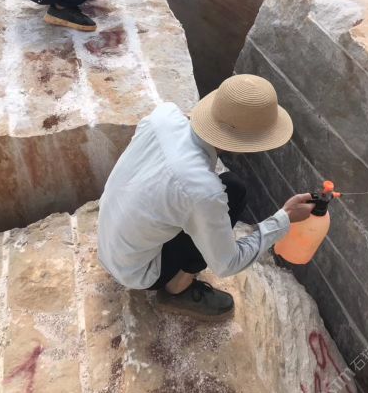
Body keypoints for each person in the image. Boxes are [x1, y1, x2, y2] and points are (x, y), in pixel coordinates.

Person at [98, 74, 315, 322]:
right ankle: (178, 289)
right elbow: (228, 263)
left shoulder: (164, 115)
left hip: (110, 244)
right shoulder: (202, 191)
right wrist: (284, 218)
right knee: (233, 193)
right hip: (137, 271)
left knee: (218, 194)